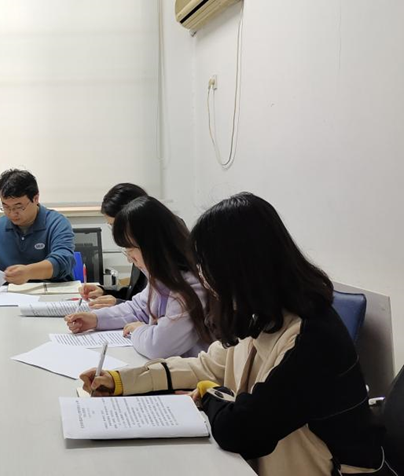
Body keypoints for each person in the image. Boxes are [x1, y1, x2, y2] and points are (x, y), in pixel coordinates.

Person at [80, 193, 390, 476]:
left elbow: (242, 430)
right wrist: (121, 381)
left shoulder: (312, 337)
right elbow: (207, 365)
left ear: (241, 269)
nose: (205, 280)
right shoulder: (263, 313)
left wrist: (208, 394)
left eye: (209, 270)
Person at [65, 196, 211, 359]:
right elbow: (138, 308)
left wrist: (139, 330)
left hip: (191, 371)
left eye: (130, 251)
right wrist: (96, 319)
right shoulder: (163, 276)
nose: (130, 259)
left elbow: (159, 346)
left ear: (152, 246)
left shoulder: (191, 286)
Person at [0, 169, 75, 284]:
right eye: (6, 207)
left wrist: (29, 272)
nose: (12, 213)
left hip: (52, 291)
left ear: (36, 199)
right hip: (8, 292)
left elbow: (63, 262)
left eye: (19, 207)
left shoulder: (57, 223)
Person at [78, 183, 149, 309]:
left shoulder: (161, 248)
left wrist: (118, 304)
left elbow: (155, 309)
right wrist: (104, 292)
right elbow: (135, 294)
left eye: (115, 225)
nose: (114, 232)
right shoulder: (138, 242)